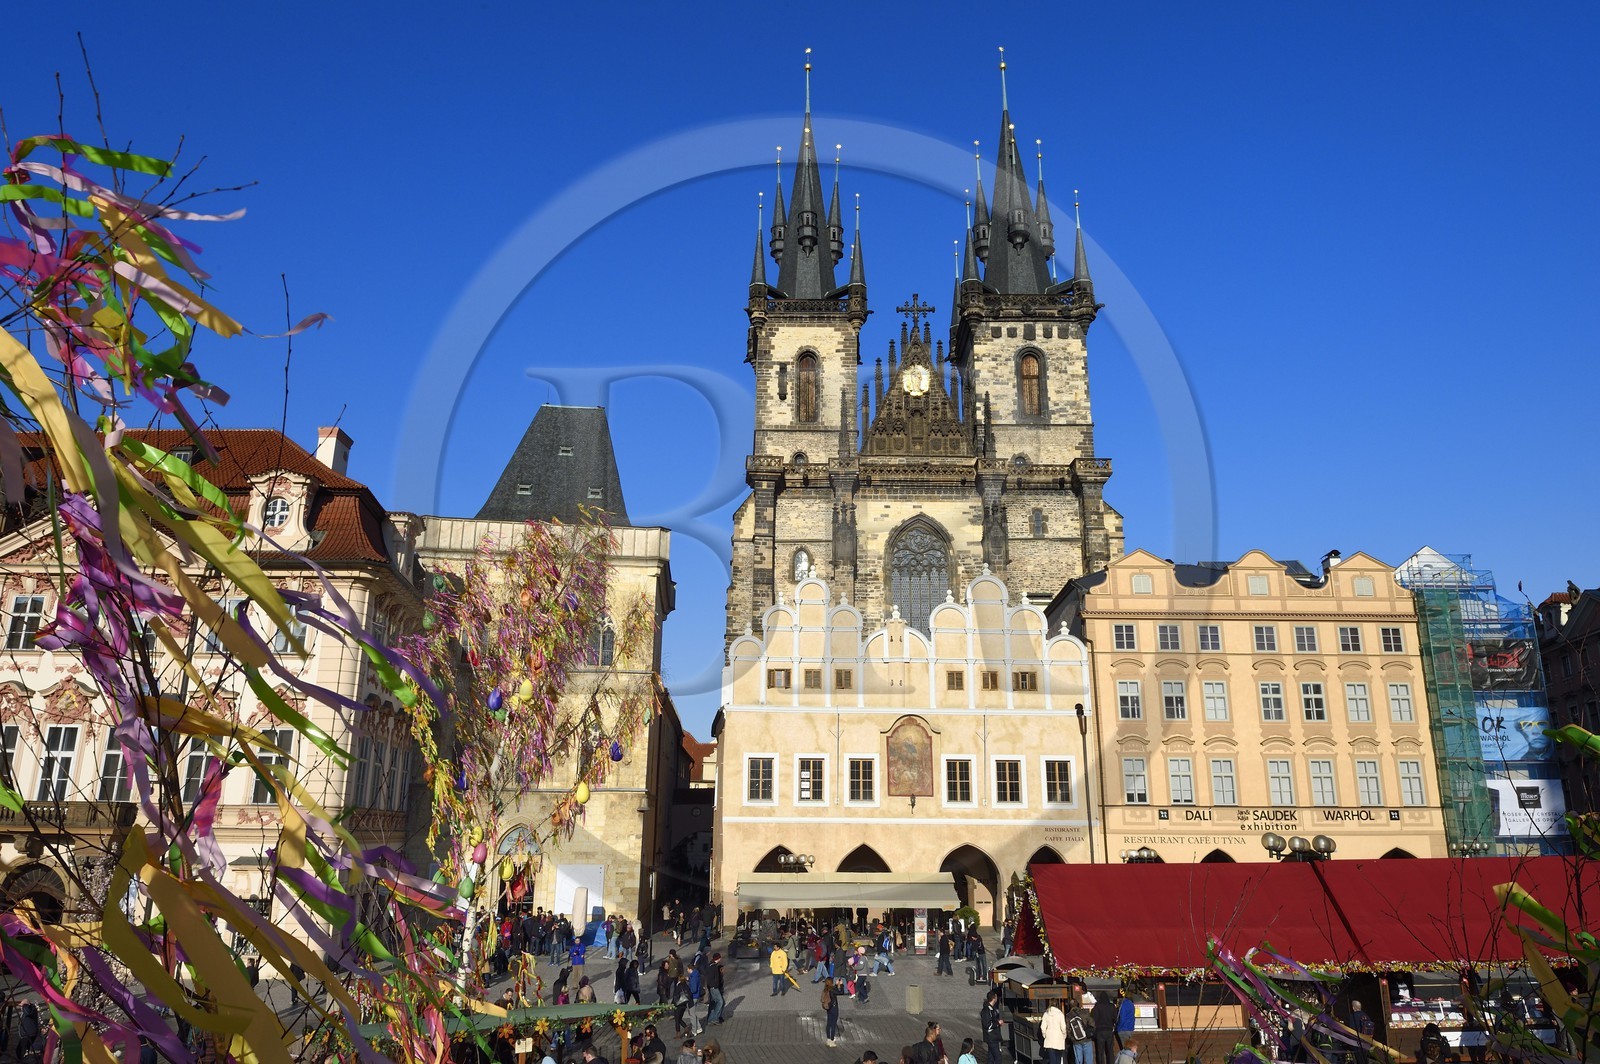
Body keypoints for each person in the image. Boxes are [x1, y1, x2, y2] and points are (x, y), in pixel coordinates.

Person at [1092, 988, 1120, 1064]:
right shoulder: (1112, 1006)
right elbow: (1116, 1018)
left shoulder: (1097, 1006)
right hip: (1109, 1031)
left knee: (1100, 1052)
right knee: (1110, 1051)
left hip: (1099, 1031)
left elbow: (1093, 1018)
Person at [981, 988, 1006, 1064]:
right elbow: (987, 1025)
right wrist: (998, 1023)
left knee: (991, 1056)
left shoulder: (991, 1009)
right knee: (998, 1056)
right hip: (991, 1037)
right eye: (996, 997)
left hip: (993, 1037)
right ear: (994, 998)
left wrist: (997, 1022)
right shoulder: (987, 1010)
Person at [1068, 993, 1095, 1064]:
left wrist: (1072, 1038)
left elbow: (1067, 1029)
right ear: (1077, 1004)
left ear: (1070, 1006)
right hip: (1087, 1039)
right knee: (1089, 1060)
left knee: (1079, 1060)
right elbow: (1092, 1024)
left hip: (1076, 1040)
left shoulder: (1068, 1016)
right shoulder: (1085, 1012)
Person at [705, 953, 726, 1026]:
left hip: (713, 987)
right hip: (714, 988)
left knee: (715, 1003)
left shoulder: (711, 965)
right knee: (720, 1002)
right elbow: (712, 979)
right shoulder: (713, 967)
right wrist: (715, 986)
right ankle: (714, 1018)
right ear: (718, 958)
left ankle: (712, 1018)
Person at [822, 977, 842, 1048]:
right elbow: (840, 992)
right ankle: (832, 1040)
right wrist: (839, 985)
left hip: (828, 1008)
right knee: (833, 1025)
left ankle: (828, 1039)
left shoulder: (826, 989)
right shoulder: (832, 989)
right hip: (834, 1008)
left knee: (829, 1023)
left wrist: (836, 986)